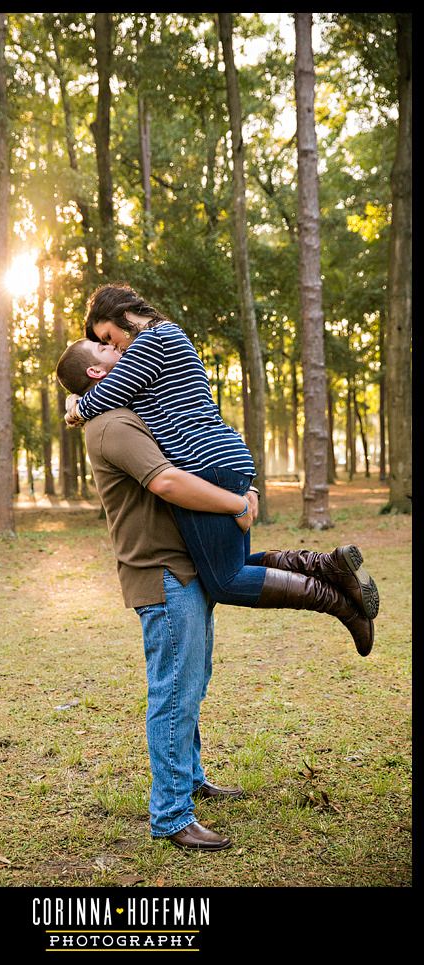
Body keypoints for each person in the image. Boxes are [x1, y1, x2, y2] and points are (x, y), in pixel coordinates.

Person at [55, 338, 377, 851]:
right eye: (105, 345)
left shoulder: (124, 407)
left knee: (193, 682)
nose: (120, 346)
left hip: (187, 563)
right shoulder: (113, 426)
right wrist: (236, 503)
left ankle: (190, 780)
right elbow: (167, 483)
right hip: (161, 572)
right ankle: (172, 816)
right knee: (175, 692)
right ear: (96, 371)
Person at [62, 284, 379, 657]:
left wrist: (75, 407)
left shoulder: (151, 341)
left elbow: (104, 395)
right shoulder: (165, 341)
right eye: (103, 344)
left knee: (227, 582)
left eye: (107, 336)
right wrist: (249, 482)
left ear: (119, 316)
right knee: (236, 565)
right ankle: (328, 565)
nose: (113, 345)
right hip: (222, 460)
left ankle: (338, 603)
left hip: (204, 466)